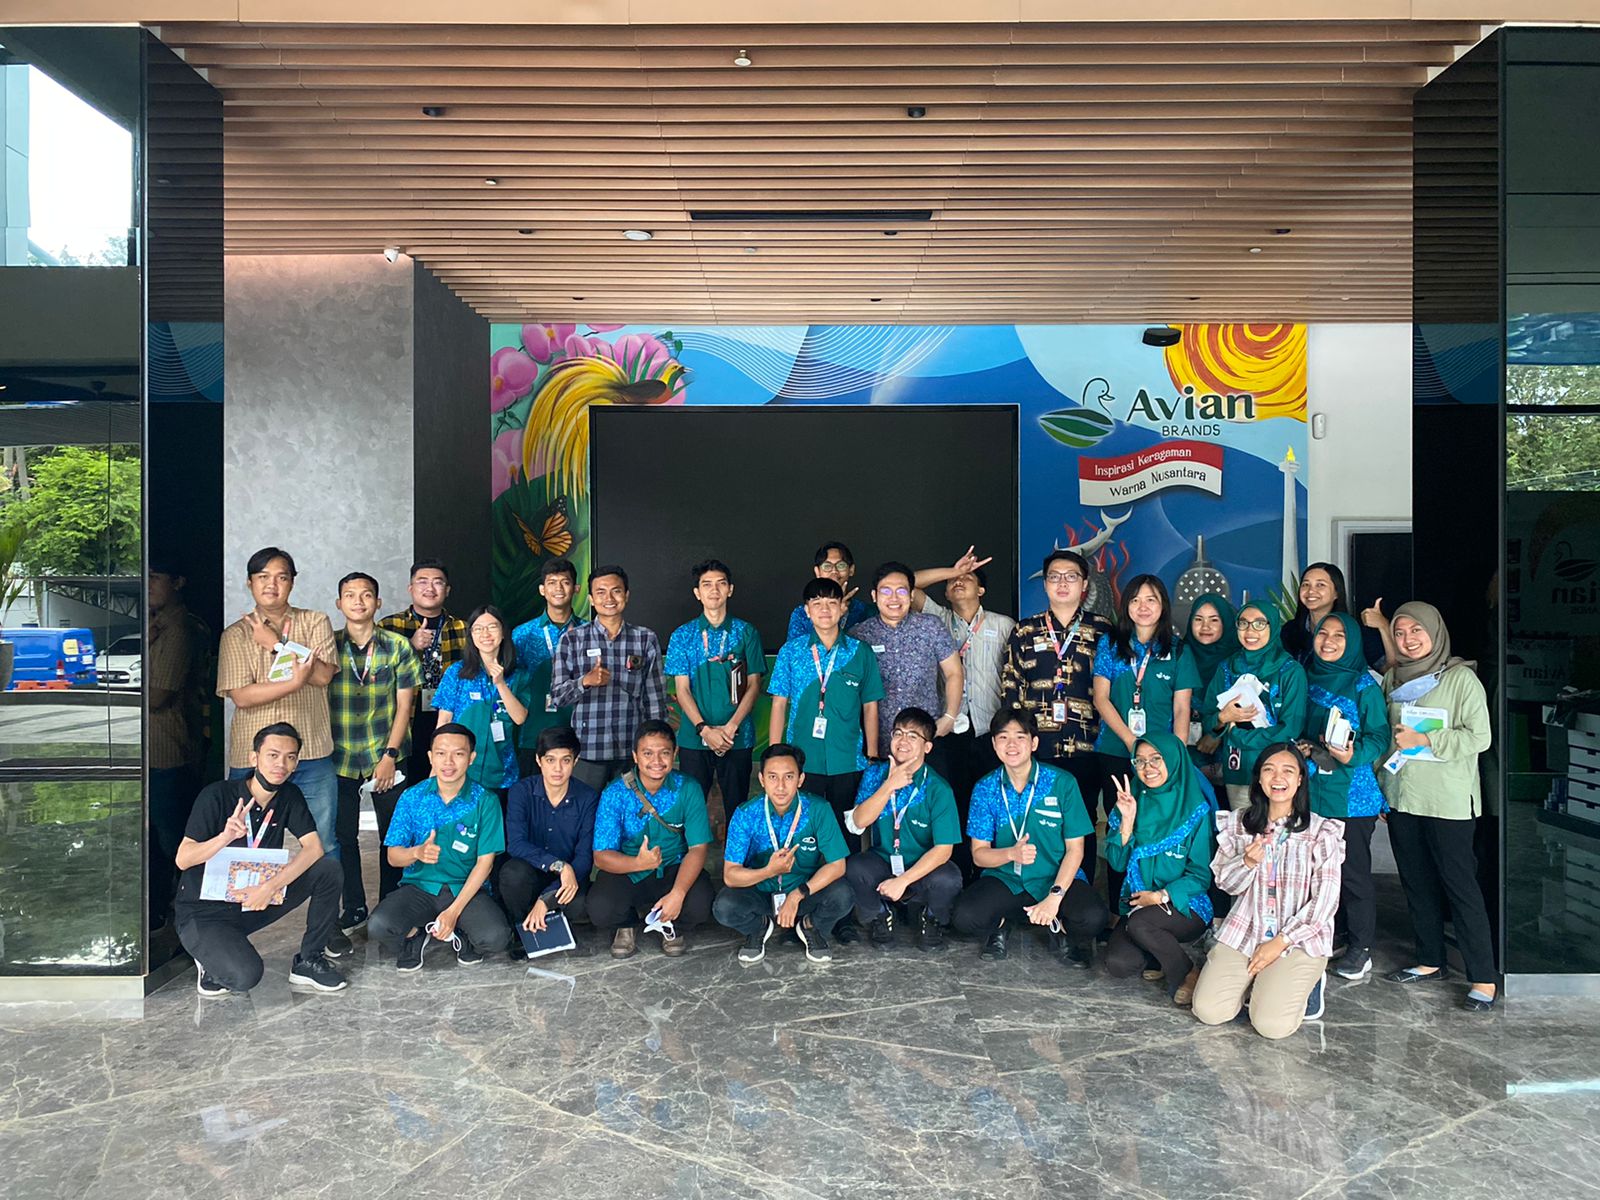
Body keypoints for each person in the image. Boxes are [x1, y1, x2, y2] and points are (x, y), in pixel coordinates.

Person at [1379, 602, 1498, 1011]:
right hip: (1404, 797)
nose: (1408, 640)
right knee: (1417, 883)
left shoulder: (1461, 679)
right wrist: (1383, 787)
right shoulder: (1393, 678)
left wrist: (1428, 740)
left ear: (1435, 632)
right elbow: (1387, 738)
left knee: (1460, 887)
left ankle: (1483, 977)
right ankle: (1430, 960)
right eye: (1399, 632)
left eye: (1416, 631)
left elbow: (1479, 737)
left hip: (1448, 802)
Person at [173, 723, 348, 995]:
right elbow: (183, 859)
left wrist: (270, 887)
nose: (281, 764)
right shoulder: (217, 795)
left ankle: (309, 960)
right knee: (245, 977)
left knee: (328, 869)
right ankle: (209, 960)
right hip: (205, 912)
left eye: (290, 757)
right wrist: (224, 838)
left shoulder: (289, 796)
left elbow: (314, 848)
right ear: (254, 758)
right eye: (273, 755)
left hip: (255, 899)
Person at [1193, 743, 1346, 1038]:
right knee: (1209, 1011)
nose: (1278, 778)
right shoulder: (1239, 823)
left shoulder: (1321, 831)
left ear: (1300, 779)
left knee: (1271, 1026)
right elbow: (1226, 884)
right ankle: (1262, 982)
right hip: (1247, 928)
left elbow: (1326, 902)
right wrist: (1247, 863)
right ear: (1259, 779)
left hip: (1299, 938)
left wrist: (1281, 942)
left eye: (1288, 771)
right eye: (1269, 770)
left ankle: (1306, 982)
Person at [216, 547, 340, 877]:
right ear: (250, 582)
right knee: (245, 841)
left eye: (281, 577)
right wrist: (296, 680)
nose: (272, 584)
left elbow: (323, 675)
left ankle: (327, 912)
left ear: (292, 582)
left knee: (324, 841)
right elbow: (242, 696)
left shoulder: (314, 621)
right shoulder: (235, 634)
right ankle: (247, 906)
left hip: (311, 752)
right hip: (253, 756)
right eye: (263, 577)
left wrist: (276, 645)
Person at [952, 706, 1109, 963]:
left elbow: (1075, 850)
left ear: (1034, 743)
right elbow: (979, 855)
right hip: (1006, 879)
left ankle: (1057, 923)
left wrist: (1054, 897)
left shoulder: (1062, 783)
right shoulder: (985, 788)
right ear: (994, 744)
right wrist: (1010, 854)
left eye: (1020, 737)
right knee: (965, 917)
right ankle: (1002, 922)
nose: (1011, 745)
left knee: (1093, 918)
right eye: (1003, 737)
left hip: (1054, 877)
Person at [1000, 548, 1113, 875]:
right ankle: (1039, 890)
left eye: (1071, 577)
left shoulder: (1103, 630)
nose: (1062, 583)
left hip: (1088, 745)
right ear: (1045, 584)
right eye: (1054, 577)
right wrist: (1017, 742)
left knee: (1084, 820)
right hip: (1038, 747)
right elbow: (1010, 686)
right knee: (1038, 821)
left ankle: (1080, 890)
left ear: (1085, 584)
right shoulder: (1025, 630)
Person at [1092, 575, 1204, 901]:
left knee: (1159, 823)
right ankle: (1120, 905)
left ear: (1163, 606)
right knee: (1121, 825)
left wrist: (1175, 756)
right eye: (1135, 600)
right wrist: (1131, 742)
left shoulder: (1178, 650)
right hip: (1117, 750)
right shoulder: (1111, 645)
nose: (1143, 607)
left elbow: (1182, 708)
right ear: (1126, 605)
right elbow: (1101, 699)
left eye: (1151, 599)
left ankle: (1157, 899)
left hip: (1161, 761)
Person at [369, 723, 511, 970]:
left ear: (471, 758)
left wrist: (453, 912)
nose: (449, 762)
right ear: (430, 757)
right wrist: (416, 852)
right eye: (441, 753)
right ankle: (416, 934)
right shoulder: (412, 797)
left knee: (496, 938)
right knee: (378, 927)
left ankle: (459, 933)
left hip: (464, 889)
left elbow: (485, 864)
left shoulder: (485, 801)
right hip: (419, 888)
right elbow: (393, 856)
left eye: (458, 754)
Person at [328, 571, 421, 943]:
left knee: (392, 836)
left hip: (387, 755)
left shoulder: (397, 646)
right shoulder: (327, 646)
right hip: (338, 756)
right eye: (350, 595)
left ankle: (390, 905)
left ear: (378, 602)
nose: (359, 601)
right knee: (343, 837)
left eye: (366, 595)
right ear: (339, 603)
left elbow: (405, 706)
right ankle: (353, 907)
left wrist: (389, 755)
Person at [1298, 611, 1390, 982]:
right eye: (1324, 633)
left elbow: (1379, 737)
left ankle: (1360, 947)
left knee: (1351, 874)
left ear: (1352, 642)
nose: (1329, 641)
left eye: (1340, 635)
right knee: (1317, 872)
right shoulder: (1305, 676)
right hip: (1312, 790)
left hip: (1352, 795)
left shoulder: (1363, 684)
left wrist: (1353, 754)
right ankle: (1332, 935)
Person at [913, 553, 1015, 860]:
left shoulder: (1004, 625)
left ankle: (989, 870)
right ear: (945, 592)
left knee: (989, 802)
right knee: (952, 802)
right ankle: (956, 869)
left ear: (981, 590)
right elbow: (908, 584)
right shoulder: (935, 620)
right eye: (952, 581)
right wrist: (951, 569)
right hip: (946, 728)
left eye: (967, 578)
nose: (958, 582)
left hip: (989, 729)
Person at [1102, 732, 1217, 1006]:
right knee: (1119, 963)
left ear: (1174, 760)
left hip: (1183, 905)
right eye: (1140, 761)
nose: (1147, 767)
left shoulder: (1194, 809)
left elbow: (1200, 876)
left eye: (1156, 759)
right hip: (1138, 906)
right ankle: (1158, 950)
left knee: (1141, 924)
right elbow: (1117, 863)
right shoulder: (1129, 802)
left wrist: (1160, 896)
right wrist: (1127, 822)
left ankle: (1186, 973)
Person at [715, 742, 853, 965]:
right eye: (772, 777)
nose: (780, 786)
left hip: (803, 891)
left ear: (800, 779)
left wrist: (798, 894)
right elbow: (731, 875)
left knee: (843, 894)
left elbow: (838, 865)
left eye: (789, 777)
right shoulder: (745, 814)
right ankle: (759, 927)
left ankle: (810, 926)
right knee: (724, 907)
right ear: (761, 779)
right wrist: (769, 871)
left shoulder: (818, 809)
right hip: (761, 892)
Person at [589, 720, 715, 959]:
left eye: (664, 753)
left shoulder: (688, 788)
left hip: (673, 868)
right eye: (647, 753)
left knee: (700, 904)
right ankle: (627, 924)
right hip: (629, 871)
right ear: (635, 756)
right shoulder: (615, 793)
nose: (656, 761)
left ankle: (670, 923)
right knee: (600, 909)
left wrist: (678, 893)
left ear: (675, 754)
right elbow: (601, 856)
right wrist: (638, 863)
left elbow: (698, 848)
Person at [767, 577, 884, 827]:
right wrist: (774, 757)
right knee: (803, 828)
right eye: (817, 603)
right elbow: (779, 704)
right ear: (807, 611)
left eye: (832, 603)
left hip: (848, 759)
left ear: (842, 608)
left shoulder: (860, 652)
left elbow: (870, 706)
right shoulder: (791, 652)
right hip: (801, 759)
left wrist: (872, 755)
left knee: (847, 829)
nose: (825, 609)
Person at [844, 707, 963, 950]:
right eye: (898, 733)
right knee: (854, 867)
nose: (903, 740)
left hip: (922, 867)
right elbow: (857, 823)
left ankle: (931, 918)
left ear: (927, 747)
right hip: (883, 861)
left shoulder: (938, 788)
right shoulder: (875, 774)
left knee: (949, 878)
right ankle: (880, 915)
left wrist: (903, 881)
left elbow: (943, 850)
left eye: (912, 735)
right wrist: (889, 786)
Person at [550, 564, 667, 791]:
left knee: (632, 810)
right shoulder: (572, 640)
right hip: (587, 750)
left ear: (626, 595)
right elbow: (557, 696)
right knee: (585, 810)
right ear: (591, 600)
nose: (609, 599)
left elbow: (655, 699)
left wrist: (655, 745)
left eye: (616, 591)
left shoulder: (645, 639)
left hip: (631, 750)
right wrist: (585, 681)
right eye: (601, 592)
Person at [664, 558, 766, 815]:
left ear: (730, 589)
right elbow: (682, 689)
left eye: (721, 584)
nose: (714, 590)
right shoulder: (682, 635)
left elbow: (754, 685)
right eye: (707, 584)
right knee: (691, 810)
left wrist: (731, 727)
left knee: (738, 809)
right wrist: (704, 730)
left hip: (737, 737)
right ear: (697, 593)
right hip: (694, 738)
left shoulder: (746, 632)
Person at [147, 557, 213, 929]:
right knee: (158, 840)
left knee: (175, 841)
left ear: (178, 582)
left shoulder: (179, 629)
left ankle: (191, 916)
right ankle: (162, 911)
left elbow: (159, 695)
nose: (148, 584)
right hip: (157, 751)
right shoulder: (156, 626)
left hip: (169, 750)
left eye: (156, 577)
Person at [849, 561, 963, 776]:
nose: (894, 598)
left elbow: (954, 672)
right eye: (886, 591)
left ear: (911, 595)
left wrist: (949, 717)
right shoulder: (859, 635)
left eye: (901, 591)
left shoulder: (930, 626)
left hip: (926, 739)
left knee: (931, 794)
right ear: (874, 596)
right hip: (878, 743)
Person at [501, 725, 600, 958]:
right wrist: (558, 865)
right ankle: (520, 929)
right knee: (512, 874)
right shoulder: (521, 792)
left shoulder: (588, 798)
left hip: (567, 878)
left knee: (580, 905)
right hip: (531, 871)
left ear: (575, 761)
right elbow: (516, 844)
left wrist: (546, 899)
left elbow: (584, 857)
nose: (558, 768)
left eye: (565, 760)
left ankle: (546, 916)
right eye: (550, 760)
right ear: (538, 760)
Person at [1201, 602, 1308, 810]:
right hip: (1238, 769)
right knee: (1242, 826)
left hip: (1278, 774)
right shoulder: (1226, 667)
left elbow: (1291, 728)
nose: (1250, 631)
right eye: (1243, 623)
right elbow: (1208, 719)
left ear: (1272, 626)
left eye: (1259, 624)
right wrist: (1222, 718)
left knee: (1277, 827)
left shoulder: (1289, 671)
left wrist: (1239, 736)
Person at [379, 559, 469, 782]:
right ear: (410, 588)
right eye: (422, 582)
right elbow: (377, 674)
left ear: (447, 590)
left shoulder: (463, 628)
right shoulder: (389, 626)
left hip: (448, 714)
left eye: (438, 582)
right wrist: (409, 646)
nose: (430, 588)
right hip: (405, 715)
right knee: (408, 781)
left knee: (445, 779)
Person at [434, 605, 532, 801]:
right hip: (460, 772)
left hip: (502, 774)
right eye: (478, 629)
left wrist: (501, 684)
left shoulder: (519, 675)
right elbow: (443, 722)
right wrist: (436, 767)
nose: (485, 634)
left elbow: (520, 718)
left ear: (503, 633)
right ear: (471, 636)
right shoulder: (457, 673)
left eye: (492, 627)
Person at [510, 558, 586, 774]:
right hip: (533, 732)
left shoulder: (588, 632)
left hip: (578, 731)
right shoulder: (522, 634)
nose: (558, 588)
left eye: (565, 582)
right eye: (552, 582)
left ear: (576, 588)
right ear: (542, 590)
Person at [1283, 562, 1388, 670]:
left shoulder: (1355, 631)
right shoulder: (1289, 630)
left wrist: (1384, 626)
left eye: (1320, 585)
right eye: (1306, 584)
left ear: (1336, 592)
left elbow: (1388, 669)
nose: (1311, 591)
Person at [786, 541, 874, 640]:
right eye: (827, 566)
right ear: (817, 571)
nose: (834, 571)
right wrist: (836, 614)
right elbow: (796, 648)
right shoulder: (802, 614)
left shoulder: (864, 611)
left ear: (851, 570)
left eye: (841, 565)